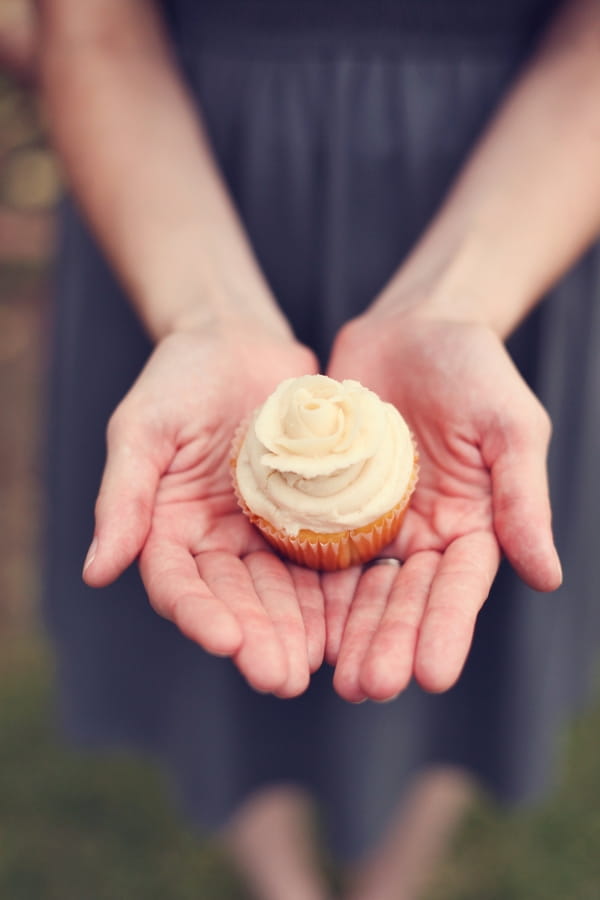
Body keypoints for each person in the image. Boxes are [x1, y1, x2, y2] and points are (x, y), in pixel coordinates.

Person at [37, 0, 600, 897]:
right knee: (215, 649)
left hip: (514, 205)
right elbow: (91, 28)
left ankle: (391, 881)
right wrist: (205, 311)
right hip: (180, 198)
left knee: (470, 628)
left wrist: (458, 306)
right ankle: (282, 880)